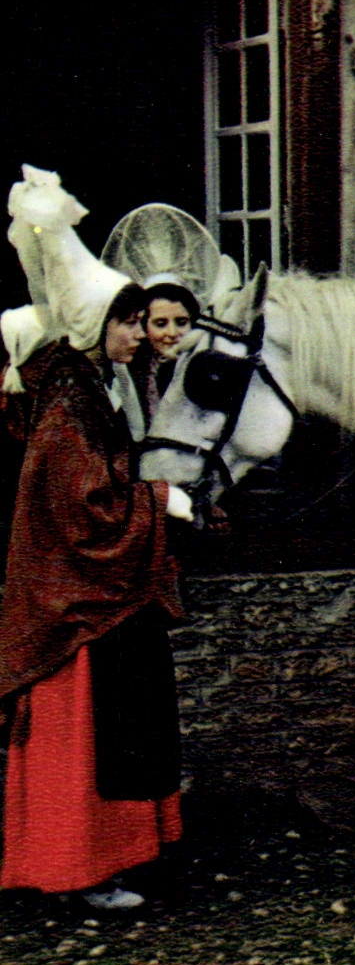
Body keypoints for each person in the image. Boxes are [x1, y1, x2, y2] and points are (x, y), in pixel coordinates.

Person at [0, 199, 195, 910]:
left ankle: (119, 855)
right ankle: (76, 867)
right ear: (94, 326)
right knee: (82, 732)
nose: (141, 332)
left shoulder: (94, 385)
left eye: (141, 321)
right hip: (78, 604)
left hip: (101, 595)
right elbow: (83, 506)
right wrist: (159, 500)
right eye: (129, 321)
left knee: (122, 724)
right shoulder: (67, 403)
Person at [125, 272, 198, 429]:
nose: (172, 333)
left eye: (181, 322)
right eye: (160, 324)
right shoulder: (129, 374)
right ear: (144, 327)